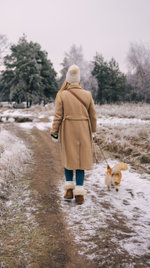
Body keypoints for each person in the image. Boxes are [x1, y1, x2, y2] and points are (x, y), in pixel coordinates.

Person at [50, 65, 97, 204]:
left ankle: (69, 190)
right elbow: (93, 116)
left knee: (69, 159)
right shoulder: (87, 95)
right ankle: (80, 194)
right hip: (83, 129)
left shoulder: (62, 95)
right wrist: (93, 131)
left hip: (68, 129)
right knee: (81, 162)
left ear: (68, 80)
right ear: (78, 80)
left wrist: (54, 131)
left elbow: (58, 115)